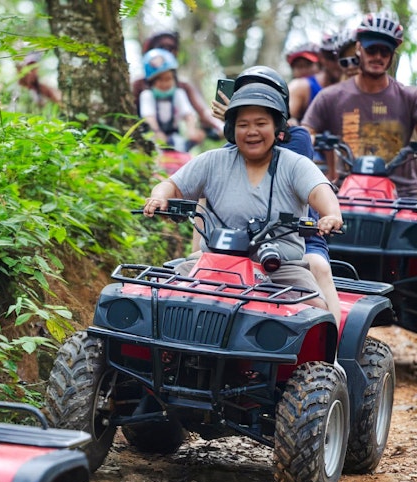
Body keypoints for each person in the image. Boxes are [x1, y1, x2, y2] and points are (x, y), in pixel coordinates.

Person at [143, 83, 344, 320]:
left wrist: (331, 214)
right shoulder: (212, 160)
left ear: (277, 128)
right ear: (231, 129)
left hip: (280, 268)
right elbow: (172, 185)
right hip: (214, 263)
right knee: (159, 297)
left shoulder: (295, 164)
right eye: (243, 125)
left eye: (261, 124)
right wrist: (158, 197)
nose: (252, 131)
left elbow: (319, 190)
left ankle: (332, 358)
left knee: (315, 313)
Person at [209, 66, 342, 320]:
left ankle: (331, 350)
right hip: (239, 236)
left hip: (294, 234)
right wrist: (236, 122)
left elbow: (275, 147)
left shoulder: (298, 138)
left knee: (319, 267)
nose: (255, 100)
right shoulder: (234, 142)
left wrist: (247, 122)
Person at [302, 11, 417, 201]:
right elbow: (306, 130)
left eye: (385, 51)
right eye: (372, 50)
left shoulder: (410, 96)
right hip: (345, 192)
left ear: (392, 55)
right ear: (358, 48)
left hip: (407, 195)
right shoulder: (330, 97)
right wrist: (308, 137)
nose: (378, 57)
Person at [132, 30, 224, 138]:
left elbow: (203, 111)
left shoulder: (182, 86)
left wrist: (220, 127)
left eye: (171, 48)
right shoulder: (138, 84)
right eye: (161, 48)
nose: (167, 53)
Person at [138, 48, 204, 150]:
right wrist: (157, 132)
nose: (164, 84)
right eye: (160, 80)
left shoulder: (178, 94)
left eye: (168, 79)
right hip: (153, 137)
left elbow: (188, 114)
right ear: (151, 82)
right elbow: (149, 117)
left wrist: (191, 130)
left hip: (173, 138)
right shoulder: (147, 95)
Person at [288, 28, 356, 125]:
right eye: (331, 57)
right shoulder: (301, 87)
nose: (337, 63)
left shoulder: (359, 88)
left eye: (343, 57)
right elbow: (284, 119)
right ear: (321, 58)